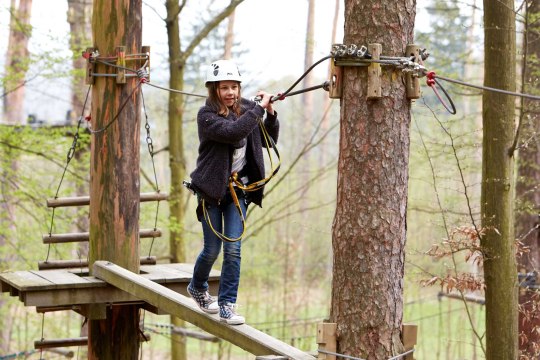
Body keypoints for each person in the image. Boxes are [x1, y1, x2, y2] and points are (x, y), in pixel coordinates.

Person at [186, 59, 280, 325]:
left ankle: (227, 304)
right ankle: (197, 286)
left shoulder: (249, 110)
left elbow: (268, 140)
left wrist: (269, 112)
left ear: (240, 88)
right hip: (210, 192)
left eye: (234, 87)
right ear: (214, 90)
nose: (230, 93)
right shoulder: (206, 117)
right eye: (224, 87)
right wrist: (258, 110)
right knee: (212, 249)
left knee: (234, 249)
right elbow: (233, 132)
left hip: (239, 191)